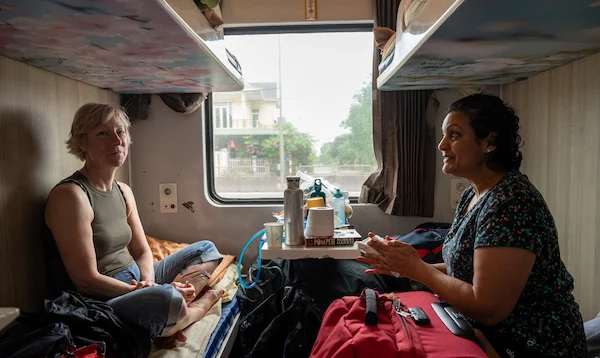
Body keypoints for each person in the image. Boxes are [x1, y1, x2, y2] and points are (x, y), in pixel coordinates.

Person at [358, 94, 586, 357]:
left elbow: (488, 309)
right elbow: (466, 268)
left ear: (489, 141)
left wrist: (419, 269)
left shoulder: (512, 202)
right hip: (481, 332)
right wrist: (402, 266)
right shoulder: (472, 195)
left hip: (533, 343)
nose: (442, 145)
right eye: (444, 135)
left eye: (453, 135)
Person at [44, 103, 223, 348]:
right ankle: (194, 310)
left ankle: (171, 312)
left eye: (121, 132)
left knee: (207, 249)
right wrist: (146, 292)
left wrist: (150, 282)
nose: (116, 141)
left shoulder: (123, 191)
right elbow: (86, 280)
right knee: (165, 298)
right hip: (104, 298)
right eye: (102, 133)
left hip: (139, 281)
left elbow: (142, 251)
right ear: (82, 142)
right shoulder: (72, 195)